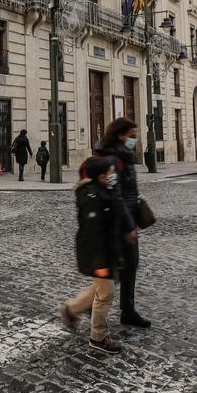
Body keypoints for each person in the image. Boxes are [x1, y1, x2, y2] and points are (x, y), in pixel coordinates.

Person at [57, 156, 137, 353]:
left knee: (101, 289)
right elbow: (93, 235)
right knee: (105, 295)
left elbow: (115, 214)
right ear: (101, 176)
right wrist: (99, 264)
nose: (113, 176)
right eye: (110, 173)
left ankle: (71, 309)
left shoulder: (105, 191)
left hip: (108, 252)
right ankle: (98, 337)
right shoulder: (92, 197)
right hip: (98, 255)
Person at [93, 117, 149, 328]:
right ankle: (79, 307)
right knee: (118, 268)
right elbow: (116, 195)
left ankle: (127, 310)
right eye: (131, 136)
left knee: (123, 267)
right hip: (118, 222)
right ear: (120, 135)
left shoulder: (122, 155)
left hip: (124, 218)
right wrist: (128, 226)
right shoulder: (114, 160)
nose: (134, 140)